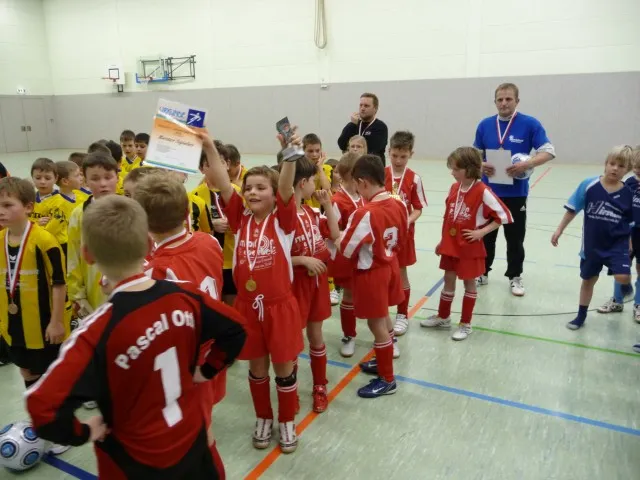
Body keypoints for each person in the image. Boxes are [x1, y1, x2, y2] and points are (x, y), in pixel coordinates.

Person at [26, 195, 246, 479]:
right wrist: (206, 370)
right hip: (191, 441)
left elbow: (43, 408)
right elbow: (236, 329)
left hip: (134, 463)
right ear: (147, 244)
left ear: (87, 255)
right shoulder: (184, 295)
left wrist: (83, 431)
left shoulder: (94, 334)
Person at [201, 130, 303, 453]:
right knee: (257, 369)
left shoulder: (283, 219)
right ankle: (263, 417)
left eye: (261, 188)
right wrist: (208, 145)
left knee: (284, 368)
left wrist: (288, 154)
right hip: (248, 307)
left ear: (274, 194)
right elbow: (222, 181)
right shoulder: (239, 217)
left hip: (279, 307)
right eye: (248, 188)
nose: (252, 193)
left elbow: (286, 186)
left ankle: (287, 420)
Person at [133, 172, 226, 442]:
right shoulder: (210, 242)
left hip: (186, 361)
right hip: (214, 346)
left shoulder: (156, 271)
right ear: (187, 212)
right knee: (203, 419)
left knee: (193, 432)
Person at [0, 177, 69, 454]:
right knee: (27, 371)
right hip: (12, 326)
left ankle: (61, 429)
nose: (1, 211)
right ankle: (41, 421)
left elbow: (59, 284)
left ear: (29, 207)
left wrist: (56, 321)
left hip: (43, 325)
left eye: (7, 205)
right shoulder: (0, 240)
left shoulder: (44, 241)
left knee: (49, 378)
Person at [421, 147, 512, 340]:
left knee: (469, 284)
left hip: (469, 247)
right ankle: (443, 317)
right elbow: (449, 218)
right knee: (448, 280)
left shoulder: (483, 191)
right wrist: (443, 241)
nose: (452, 173)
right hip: (450, 245)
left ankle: (465, 324)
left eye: (455, 169)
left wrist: (481, 232)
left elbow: (504, 215)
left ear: (469, 169)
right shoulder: (454, 188)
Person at [473, 82, 555, 296]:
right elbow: (474, 154)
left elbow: (548, 151)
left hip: (516, 193)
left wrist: (527, 164)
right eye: (500, 99)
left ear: (517, 101)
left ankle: (515, 276)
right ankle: (482, 272)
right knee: (486, 236)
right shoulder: (485, 125)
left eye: (508, 99)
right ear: (495, 102)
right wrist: (480, 164)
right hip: (488, 192)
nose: (504, 103)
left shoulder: (530, 124)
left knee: (515, 238)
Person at [337, 154, 407, 398]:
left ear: (363, 182)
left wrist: (335, 233)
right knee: (384, 317)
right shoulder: (399, 203)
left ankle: (387, 379)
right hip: (391, 265)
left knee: (375, 324)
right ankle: (383, 357)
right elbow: (404, 235)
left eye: (357, 185)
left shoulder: (365, 213)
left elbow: (346, 249)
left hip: (372, 273)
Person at [551, 146, 634, 330]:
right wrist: (559, 230)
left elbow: (629, 221)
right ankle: (581, 316)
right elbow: (572, 209)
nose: (615, 168)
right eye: (612, 163)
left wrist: (629, 242)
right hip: (592, 245)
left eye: (621, 166)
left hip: (617, 244)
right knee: (588, 281)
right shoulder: (589, 185)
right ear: (605, 164)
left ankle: (626, 286)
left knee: (622, 276)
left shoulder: (628, 193)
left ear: (627, 170)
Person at [290, 156, 340, 413]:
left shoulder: (311, 212)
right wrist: (301, 259)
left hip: (317, 283)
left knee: (316, 336)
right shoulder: (283, 217)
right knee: (293, 340)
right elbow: (275, 257)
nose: (315, 185)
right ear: (302, 183)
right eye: (312, 180)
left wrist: (327, 204)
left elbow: (335, 233)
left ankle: (320, 385)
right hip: (295, 284)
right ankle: (291, 388)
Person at [384, 131, 428, 336]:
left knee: (401, 273)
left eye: (403, 156)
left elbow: (418, 208)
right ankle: (382, 312)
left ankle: (402, 314)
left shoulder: (414, 179)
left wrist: (406, 221)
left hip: (403, 236)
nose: (398, 160)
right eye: (395, 155)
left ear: (411, 154)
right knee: (382, 274)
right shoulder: (380, 174)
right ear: (388, 152)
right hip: (382, 236)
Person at [67, 152, 119, 319]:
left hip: (126, 289)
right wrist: (77, 295)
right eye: (95, 178)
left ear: (117, 177)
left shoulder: (130, 210)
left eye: (108, 177)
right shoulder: (78, 215)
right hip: (93, 295)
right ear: (85, 181)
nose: (103, 184)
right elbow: (73, 257)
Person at [191, 151, 242, 306]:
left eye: (220, 163)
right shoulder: (195, 195)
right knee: (213, 307)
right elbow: (192, 231)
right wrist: (212, 224)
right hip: (209, 262)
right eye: (209, 164)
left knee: (233, 309)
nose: (215, 167)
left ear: (227, 165)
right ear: (201, 169)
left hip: (234, 261)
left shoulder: (238, 192)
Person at [596, 146, 640, 319]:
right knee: (621, 268)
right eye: (635, 166)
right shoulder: (628, 183)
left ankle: (638, 304)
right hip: (626, 233)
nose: (637, 170)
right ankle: (617, 300)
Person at [329, 152, 365, 357]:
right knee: (349, 296)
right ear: (351, 176)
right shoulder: (337, 200)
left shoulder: (363, 196)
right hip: (348, 256)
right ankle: (349, 335)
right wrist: (347, 237)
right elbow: (331, 231)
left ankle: (383, 333)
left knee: (369, 293)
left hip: (365, 256)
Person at [338, 93, 388, 165]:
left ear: (375, 109)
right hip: (353, 166)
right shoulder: (353, 125)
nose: (362, 108)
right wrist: (352, 125)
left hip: (373, 167)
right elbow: (342, 145)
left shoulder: (380, 127)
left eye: (366, 106)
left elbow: (373, 150)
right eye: (361, 105)